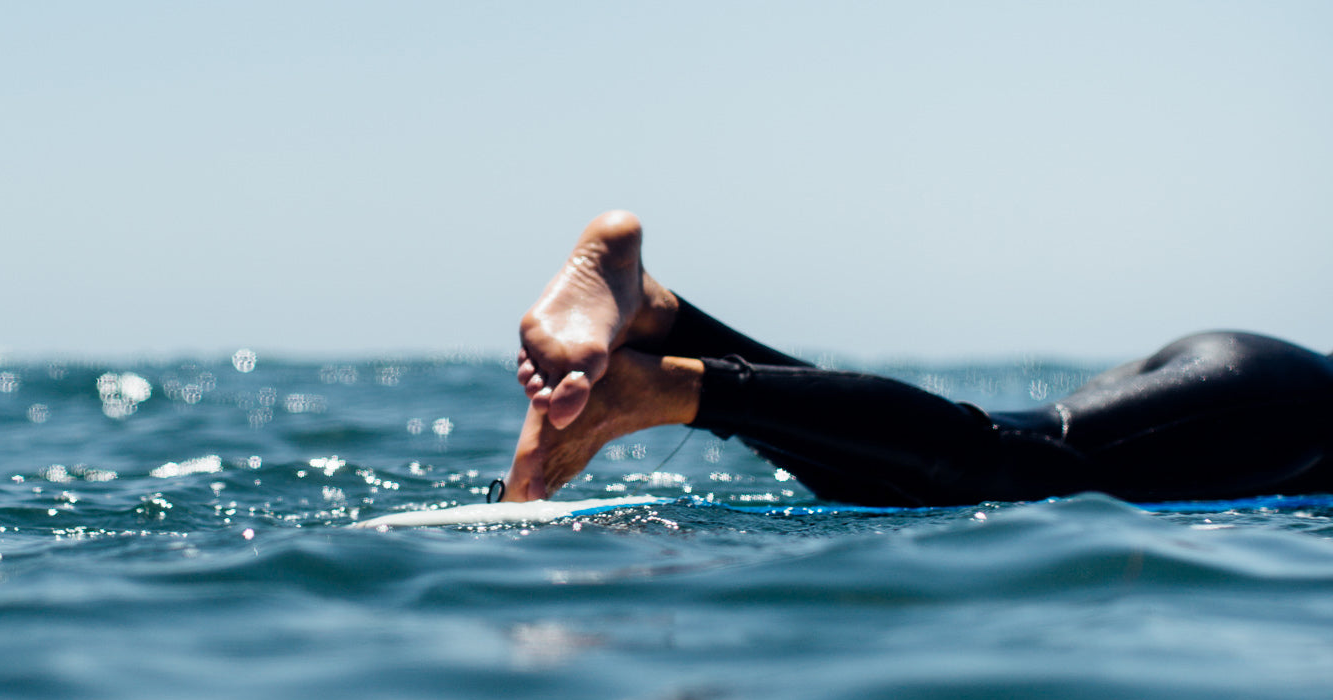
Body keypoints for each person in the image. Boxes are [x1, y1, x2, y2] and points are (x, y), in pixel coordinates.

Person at [504, 211, 1333, 507]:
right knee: (1012, 468)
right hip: (1282, 400)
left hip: (1258, 387)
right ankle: (680, 389)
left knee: (894, 482)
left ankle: (660, 324)